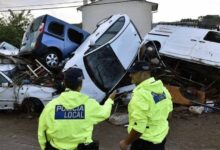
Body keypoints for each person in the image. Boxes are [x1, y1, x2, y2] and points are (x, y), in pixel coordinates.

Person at [38, 67, 116, 150]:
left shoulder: (51, 106)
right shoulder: (89, 104)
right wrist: (110, 100)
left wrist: (44, 147)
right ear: (80, 85)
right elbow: (105, 113)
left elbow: (42, 131)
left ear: (64, 83)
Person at [119, 61, 173, 150]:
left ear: (144, 74)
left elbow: (139, 127)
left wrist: (126, 142)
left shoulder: (140, 95)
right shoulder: (163, 90)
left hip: (144, 143)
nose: (130, 75)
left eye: (133, 73)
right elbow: (169, 114)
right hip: (160, 139)